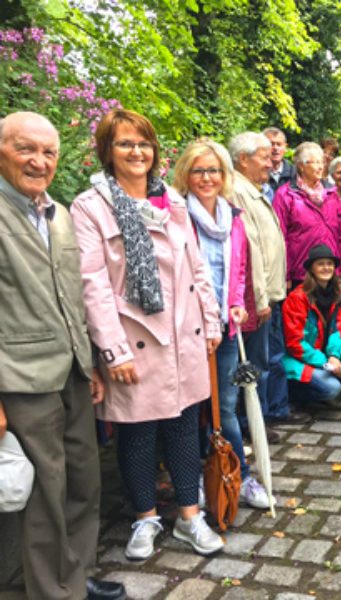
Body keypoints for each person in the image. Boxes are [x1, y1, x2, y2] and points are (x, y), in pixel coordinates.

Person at [70, 109, 224, 560]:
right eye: (124, 143)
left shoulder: (173, 202)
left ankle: (190, 517)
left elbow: (196, 267)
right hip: (131, 340)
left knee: (181, 428)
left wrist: (211, 321)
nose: (136, 152)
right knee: (136, 434)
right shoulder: (90, 206)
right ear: (107, 151)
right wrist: (113, 350)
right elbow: (92, 283)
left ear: (155, 151)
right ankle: (144, 518)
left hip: (183, 336)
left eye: (144, 143)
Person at [0, 111, 125, 600]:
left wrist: (90, 360)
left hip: (72, 371)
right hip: (20, 380)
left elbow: (74, 293)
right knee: (43, 495)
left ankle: (69, 576)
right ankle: (50, 592)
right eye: (25, 149)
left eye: (48, 152)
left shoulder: (59, 214)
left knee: (82, 484)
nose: (39, 161)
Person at [173, 138, 273, 508]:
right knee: (189, 408)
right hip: (187, 328)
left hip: (227, 330)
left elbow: (239, 270)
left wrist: (235, 304)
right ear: (186, 173)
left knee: (225, 406)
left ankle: (239, 475)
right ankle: (195, 478)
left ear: (224, 174)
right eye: (198, 170)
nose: (206, 177)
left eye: (213, 170)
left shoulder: (233, 218)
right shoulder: (177, 216)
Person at [229, 132, 309, 437]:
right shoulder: (238, 191)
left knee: (267, 357)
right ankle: (254, 425)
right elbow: (248, 249)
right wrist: (260, 298)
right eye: (263, 156)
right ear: (243, 159)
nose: (271, 160)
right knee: (255, 363)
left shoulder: (253, 188)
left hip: (269, 295)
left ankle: (267, 414)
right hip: (256, 299)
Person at [282, 244, 341, 408]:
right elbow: (295, 343)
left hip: (324, 355)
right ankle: (299, 397)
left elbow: (338, 330)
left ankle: (324, 385)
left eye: (330, 264)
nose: (326, 268)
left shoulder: (336, 296)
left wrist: (334, 356)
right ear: (311, 269)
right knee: (331, 389)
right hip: (299, 359)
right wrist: (326, 363)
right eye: (320, 264)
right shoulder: (298, 298)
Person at [273, 142, 341, 288]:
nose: (321, 166)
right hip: (301, 274)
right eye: (315, 162)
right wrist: (285, 274)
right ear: (301, 166)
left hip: (330, 271)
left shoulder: (331, 193)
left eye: (322, 162)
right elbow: (279, 238)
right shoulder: (285, 195)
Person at [263, 126, 294, 192]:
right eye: (271, 144)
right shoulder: (257, 174)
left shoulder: (294, 174)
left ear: (285, 147)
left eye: (279, 144)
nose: (276, 148)